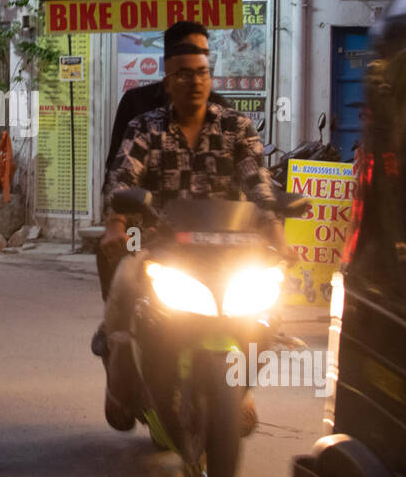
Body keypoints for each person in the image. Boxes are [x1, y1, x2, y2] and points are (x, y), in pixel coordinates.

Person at [96, 43, 281, 431]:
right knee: (125, 286)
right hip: (158, 245)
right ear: (168, 82)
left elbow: (257, 180)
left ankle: (240, 389)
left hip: (231, 248)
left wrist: (274, 225)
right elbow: (122, 178)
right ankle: (117, 379)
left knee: (267, 312)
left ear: (209, 77)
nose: (194, 81)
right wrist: (116, 222)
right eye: (183, 74)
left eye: (201, 72)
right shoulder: (145, 126)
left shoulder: (236, 126)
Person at [98, 20, 228, 299]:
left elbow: (241, 174)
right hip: (141, 224)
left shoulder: (220, 109)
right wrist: (115, 222)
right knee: (123, 286)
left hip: (200, 227)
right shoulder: (137, 103)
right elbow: (117, 168)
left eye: (205, 53)